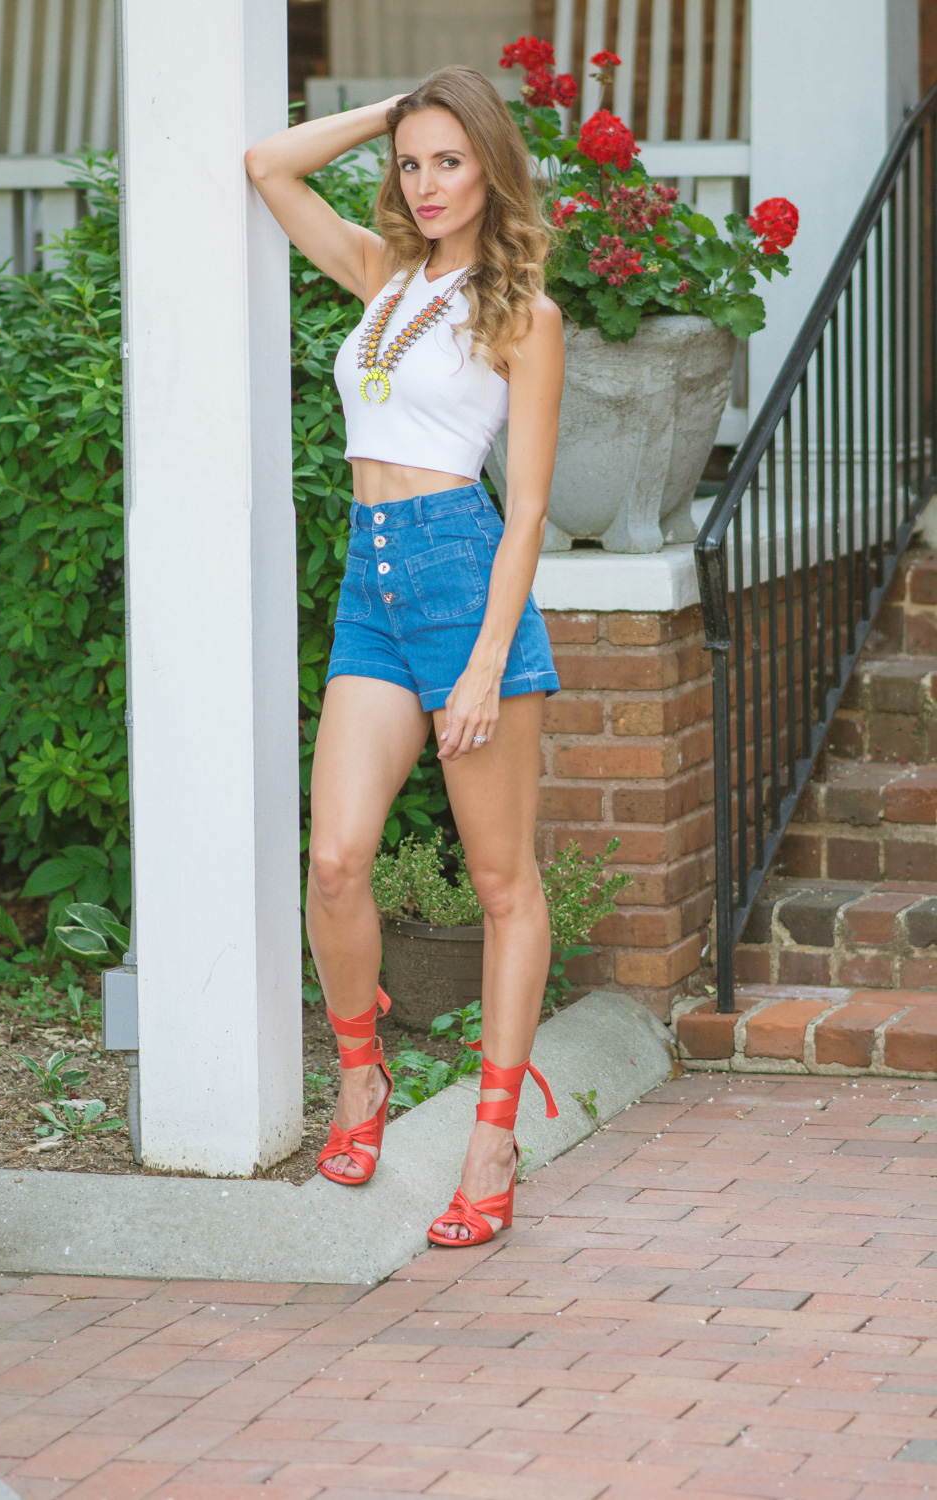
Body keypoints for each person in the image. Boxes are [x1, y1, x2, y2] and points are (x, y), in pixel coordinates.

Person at [245, 64, 564, 1247]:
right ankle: (362, 1072)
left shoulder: (523, 313)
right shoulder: (384, 278)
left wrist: (484, 665)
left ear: (490, 170)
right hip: (372, 584)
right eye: (412, 161)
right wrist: (392, 110)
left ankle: (491, 1138)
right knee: (334, 860)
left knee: (500, 883)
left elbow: (526, 506)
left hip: (462, 577)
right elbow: (268, 167)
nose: (425, 183)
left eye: (449, 159)